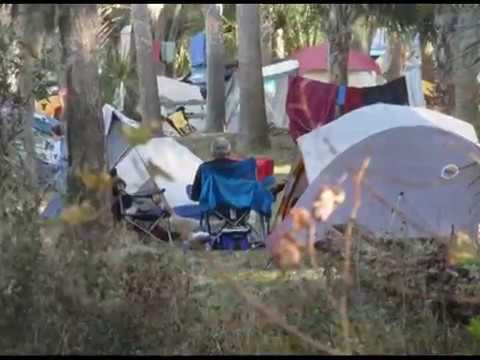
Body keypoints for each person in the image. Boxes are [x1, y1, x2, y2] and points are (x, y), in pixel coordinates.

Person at [190, 137, 237, 202]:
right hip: (239, 209)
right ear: (229, 151)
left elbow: (194, 196)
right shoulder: (240, 166)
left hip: (213, 210)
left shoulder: (203, 168)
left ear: (213, 152)